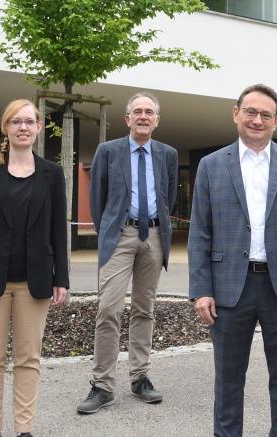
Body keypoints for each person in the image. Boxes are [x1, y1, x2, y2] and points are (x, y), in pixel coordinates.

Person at [188, 84, 277, 437]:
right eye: (250, 111)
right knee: (228, 379)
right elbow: (200, 232)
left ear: (276, 121)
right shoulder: (211, 165)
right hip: (229, 288)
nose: (257, 120)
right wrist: (201, 290)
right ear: (236, 114)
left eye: (265, 114)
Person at [0, 99, 69, 437]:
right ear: (5, 128)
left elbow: (58, 229)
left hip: (35, 281)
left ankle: (24, 429)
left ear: (38, 128)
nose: (23, 127)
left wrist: (61, 278)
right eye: (15, 122)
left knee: (28, 359)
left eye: (29, 122)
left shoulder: (52, 174)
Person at [77, 92, 179, 414]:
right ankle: (102, 385)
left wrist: (156, 225)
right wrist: (109, 228)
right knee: (108, 309)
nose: (144, 116)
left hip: (154, 236)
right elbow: (98, 197)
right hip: (120, 236)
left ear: (157, 119)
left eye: (149, 112)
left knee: (144, 308)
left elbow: (169, 195)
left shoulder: (168, 154)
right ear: (128, 119)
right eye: (138, 111)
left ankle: (140, 377)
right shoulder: (108, 151)